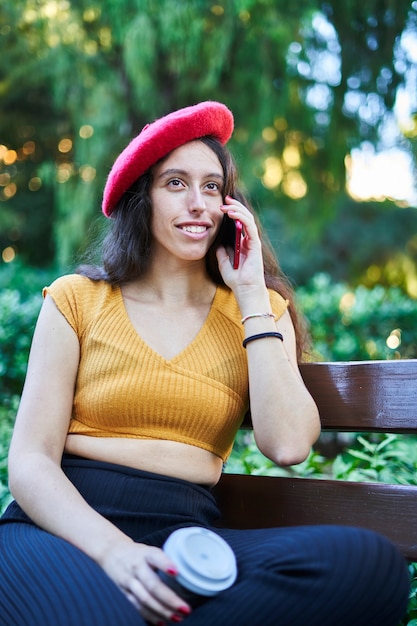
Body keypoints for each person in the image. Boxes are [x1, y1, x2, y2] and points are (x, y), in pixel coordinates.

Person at [0, 101, 410, 626]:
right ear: (141, 198)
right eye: (176, 183)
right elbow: (30, 461)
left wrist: (251, 295)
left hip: (185, 537)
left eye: (212, 187)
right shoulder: (76, 300)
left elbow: (287, 445)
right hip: (61, 529)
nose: (198, 203)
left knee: (370, 567)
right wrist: (115, 552)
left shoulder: (258, 310)